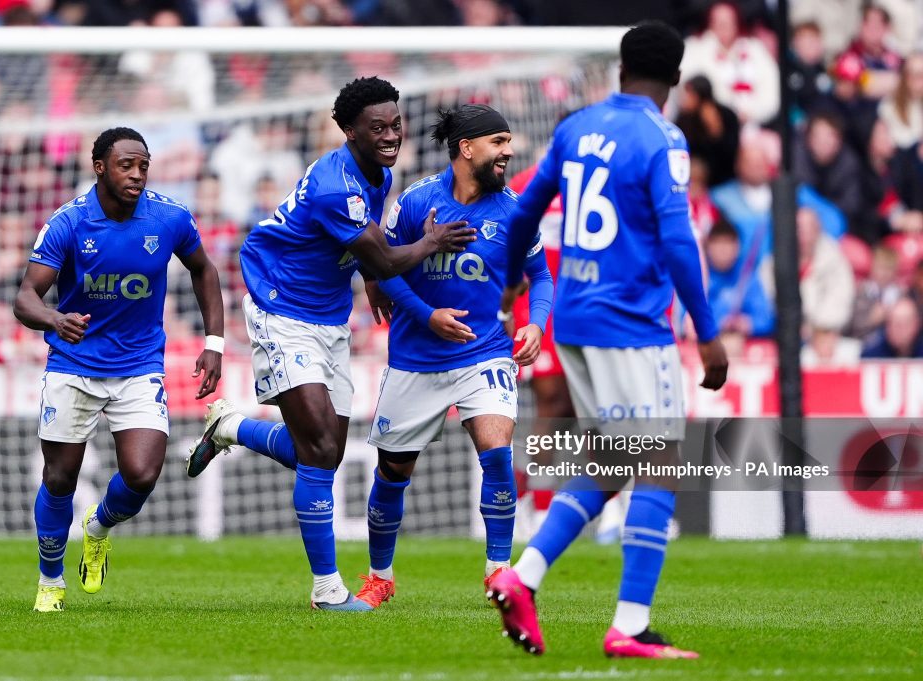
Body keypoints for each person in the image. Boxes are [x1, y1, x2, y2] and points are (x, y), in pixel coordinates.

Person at [184, 77, 475, 611]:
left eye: (395, 124)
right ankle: (326, 589)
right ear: (348, 131)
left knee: (322, 452)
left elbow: (368, 249)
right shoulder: (333, 184)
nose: (391, 136)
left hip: (328, 315)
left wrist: (367, 275)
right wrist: (429, 242)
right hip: (281, 307)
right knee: (319, 450)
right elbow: (386, 257)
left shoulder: (378, 172)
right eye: (377, 128)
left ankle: (229, 427)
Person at [487, 22, 728, 658]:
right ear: (675, 78)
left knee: (610, 463)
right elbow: (677, 241)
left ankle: (522, 576)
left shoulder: (573, 129)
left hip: (576, 320)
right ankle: (629, 624)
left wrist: (513, 282)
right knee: (659, 465)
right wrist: (707, 334)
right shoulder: (663, 138)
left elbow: (521, 210)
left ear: (620, 69)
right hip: (631, 326)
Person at [13, 127, 225, 613]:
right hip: (73, 364)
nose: (136, 174)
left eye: (143, 165)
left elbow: (203, 269)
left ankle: (98, 526)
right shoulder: (68, 223)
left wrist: (214, 342)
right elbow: (25, 297)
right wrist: (53, 318)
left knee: (143, 473)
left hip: (138, 365)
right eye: (126, 165)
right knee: (60, 477)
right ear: (100, 167)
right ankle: (51, 581)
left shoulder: (170, 217)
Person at [350, 105, 554, 608]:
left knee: (498, 455)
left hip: (484, 352)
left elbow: (543, 276)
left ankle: (499, 573)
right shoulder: (417, 201)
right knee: (393, 473)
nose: (508, 151)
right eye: (498, 142)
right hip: (416, 357)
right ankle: (380, 577)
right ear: (467, 149)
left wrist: (534, 322)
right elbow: (382, 267)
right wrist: (426, 315)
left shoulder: (515, 210)